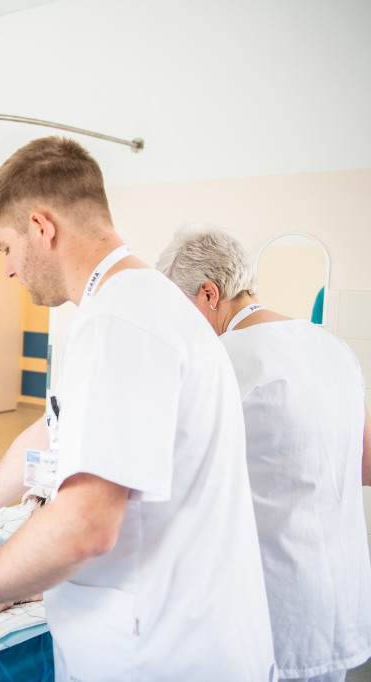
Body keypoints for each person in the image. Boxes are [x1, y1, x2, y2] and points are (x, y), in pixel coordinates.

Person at [0, 137, 276, 680]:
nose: (7, 270)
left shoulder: (119, 322)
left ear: (41, 228)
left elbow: (85, 526)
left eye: (4, 247)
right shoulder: (139, 302)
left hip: (163, 653)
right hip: (175, 633)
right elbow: (47, 435)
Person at [157, 225, 371, 682]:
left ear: (209, 294)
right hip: (338, 596)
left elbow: (167, 475)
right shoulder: (333, 347)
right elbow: (365, 462)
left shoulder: (226, 359)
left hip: (273, 602)